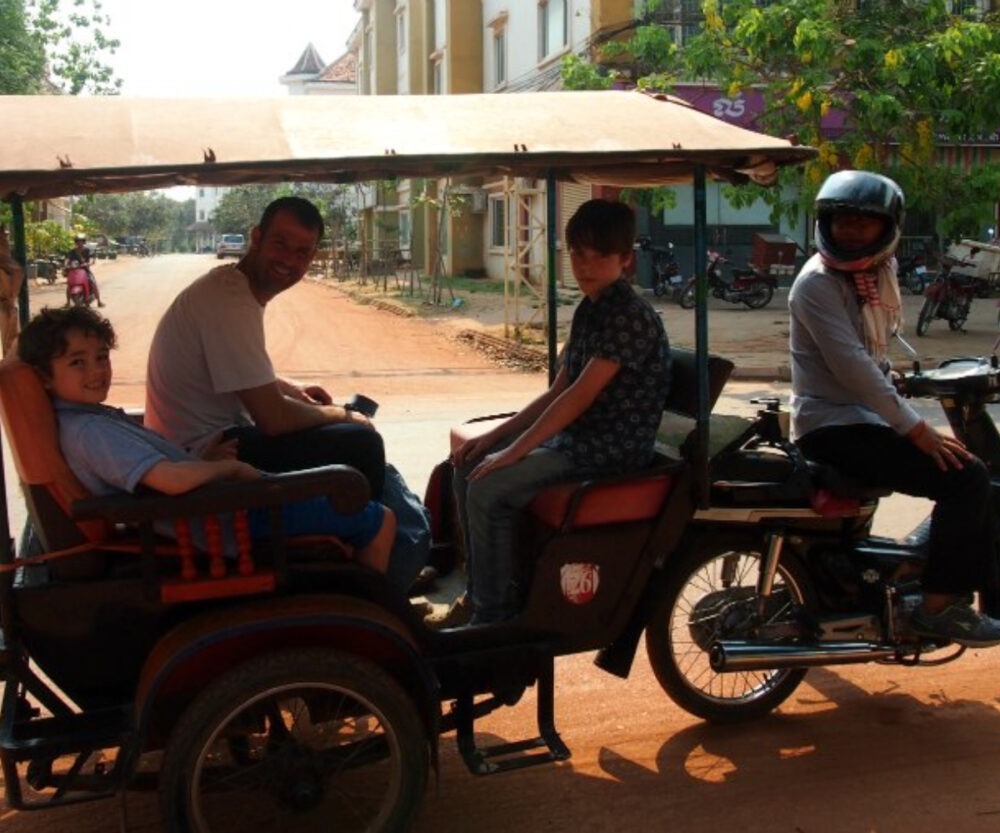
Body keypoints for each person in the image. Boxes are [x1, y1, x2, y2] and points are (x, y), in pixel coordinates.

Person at [145, 196, 430, 592]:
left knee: (352, 439)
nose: (289, 261)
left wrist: (293, 391)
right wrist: (343, 416)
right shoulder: (229, 299)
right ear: (256, 238)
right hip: (208, 455)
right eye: (280, 244)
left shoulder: (232, 290)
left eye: (302, 252)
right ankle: (387, 567)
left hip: (209, 443)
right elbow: (274, 420)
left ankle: (395, 546)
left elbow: (244, 374)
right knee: (362, 442)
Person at [432, 199, 672, 627]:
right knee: (467, 463)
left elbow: (580, 396)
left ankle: (494, 615)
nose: (586, 265)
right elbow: (558, 389)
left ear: (626, 259)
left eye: (600, 255)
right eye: (579, 253)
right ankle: (480, 593)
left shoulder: (629, 317)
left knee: (490, 487)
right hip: (578, 439)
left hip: (608, 449)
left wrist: (514, 453)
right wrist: (494, 438)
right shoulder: (591, 308)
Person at [788, 169, 1000, 647]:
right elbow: (851, 368)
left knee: (959, 471)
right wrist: (914, 428)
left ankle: (907, 567)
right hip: (832, 426)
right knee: (967, 479)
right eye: (842, 221)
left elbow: (872, 357)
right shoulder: (817, 283)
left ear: (886, 229)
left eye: (862, 223)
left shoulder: (874, 277)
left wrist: (898, 385)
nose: (849, 231)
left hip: (857, 417)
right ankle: (940, 607)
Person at [17, 305, 396, 571]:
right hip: (226, 520)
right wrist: (228, 469)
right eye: (77, 362)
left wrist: (207, 463)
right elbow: (169, 479)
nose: (97, 371)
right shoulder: (90, 432)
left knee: (329, 481)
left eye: (101, 357)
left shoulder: (87, 418)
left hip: (213, 509)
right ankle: (377, 614)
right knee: (379, 517)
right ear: (45, 377)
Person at [0, 223, 24, 357]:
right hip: (6, 305)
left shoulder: (8, 264)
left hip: (6, 305)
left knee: (10, 344)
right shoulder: (9, 265)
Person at [64, 235, 105, 307]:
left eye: (81, 241)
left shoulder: (87, 250)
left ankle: (99, 301)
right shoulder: (72, 251)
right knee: (69, 285)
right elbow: (67, 259)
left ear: (83, 242)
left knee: (93, 283)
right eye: (78, 241)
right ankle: (68, 302)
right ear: (76, 242)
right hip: (74, 270)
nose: (80, 243)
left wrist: (88, 263)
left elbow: (92, 259)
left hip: (85, 270)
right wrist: (66, 264)